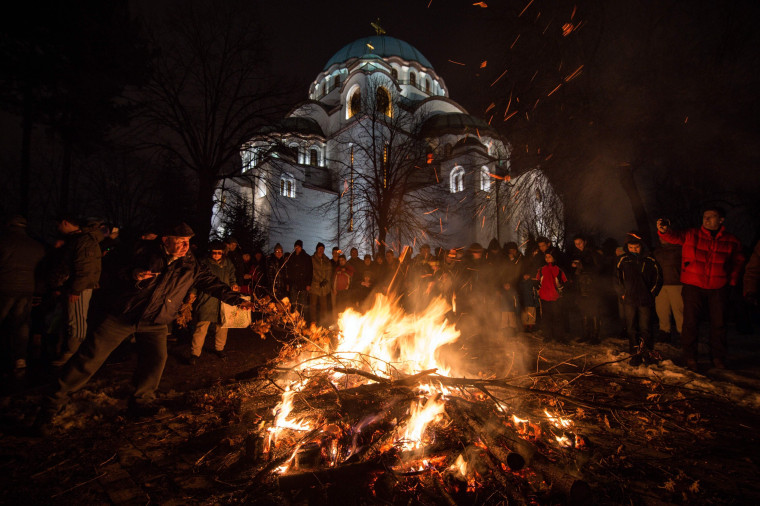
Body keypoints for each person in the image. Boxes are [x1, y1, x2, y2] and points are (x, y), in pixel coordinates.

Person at [33, 223, 255, 434]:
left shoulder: (190, 264)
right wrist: (133, 274)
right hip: (124, 316)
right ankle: (52, 403)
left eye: (188, 241)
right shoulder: (143, 252)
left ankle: (141, 402)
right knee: (89, 358)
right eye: (180, 241)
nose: (185, 246)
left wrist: (237, 299)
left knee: (156, 360)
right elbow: (111, 270)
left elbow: (212, 283)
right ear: (166, 239)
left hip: (156, 322)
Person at [657, 208, 745, 370]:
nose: (706, 219)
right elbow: (673, 237)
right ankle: (690, 357)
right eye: (705, 216)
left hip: (718, 287)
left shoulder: (731, 241)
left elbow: (737, 262)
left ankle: (718, 357)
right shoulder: (692, 234)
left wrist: (731, 281)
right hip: (693, 285)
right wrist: (664, 230)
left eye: (711, 217)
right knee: (690, 322)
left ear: (721, 220)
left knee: (718, 323)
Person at [49, 215, 103, 366]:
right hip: (74, 286)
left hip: (79, 287)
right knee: (72, 319)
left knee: (77, 320)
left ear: (65, 222)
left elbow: (85, 268)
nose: (57, 229)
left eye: (59, 225)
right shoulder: (76, 240)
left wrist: (76, 289)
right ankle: (70, 351)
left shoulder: (84, 240)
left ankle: (74, 353)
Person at [0, 216, 46, 372]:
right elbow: (41, 272)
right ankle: (20, 358)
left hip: (4, 287)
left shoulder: (4, 242)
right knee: (21, 324)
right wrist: (38, 291)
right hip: (27, 289)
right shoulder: (36, 246)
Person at [188, 242, 238, 363]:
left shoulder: (228, 263)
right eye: (214, 252)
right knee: (201, 326)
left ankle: (220, 348)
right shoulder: (204, 263)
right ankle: (195, 353)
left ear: (222, 253)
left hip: (222, 299)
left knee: (222, 326)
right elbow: (196, 279)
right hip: (207, 298)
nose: (216, 255)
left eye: (219, 253)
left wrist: (234, 284)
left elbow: (232, 277)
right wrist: (193, 292)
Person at [616, 235, 663, 366]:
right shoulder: (623, 260)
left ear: (641, 246)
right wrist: (622, 293)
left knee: (645, 327)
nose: (633, 250)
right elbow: (616, 278)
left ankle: (646, 352)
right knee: (631, 327)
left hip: (645, 299)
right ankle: (635, 353)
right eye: (631, 248)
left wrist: (652, 294)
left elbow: (658, 278)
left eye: (636, 247)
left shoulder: (650, 260)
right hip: (629, 299)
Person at [569, 235, 604, 344]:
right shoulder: (578, 254)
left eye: (579, 243)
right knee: (584, 311)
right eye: (576, 244)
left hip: (592, 286)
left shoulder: (593, 252)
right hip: (581, 286)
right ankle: (586, 334)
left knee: (593, 311)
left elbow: (599, 268)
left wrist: (582, 265)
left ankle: (595, 336)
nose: (578, 245)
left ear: (585, 241)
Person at [652, 238, 684, 343]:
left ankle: (683, 333)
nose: (662, 238)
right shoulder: (657, 251)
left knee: (679, 310)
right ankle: (664, 332)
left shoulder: (679, 249)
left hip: (676, 284)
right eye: (660, 236)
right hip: (661, 285)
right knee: (662, 310)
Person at [536, 250, 567, 343]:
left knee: (557, 317)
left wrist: (560, 289)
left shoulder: (558, 270)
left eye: (549, 257)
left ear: (554, 258)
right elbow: (537, 281)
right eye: (546, 257)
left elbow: (564, 282)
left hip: (555, 297)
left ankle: (559, 336)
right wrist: (539, 289)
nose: (547, 259)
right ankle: (548, 335)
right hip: (545, 297)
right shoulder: (541, 269)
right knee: (546, 317)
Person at [309, 242, 333, 326]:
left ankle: (324, 321)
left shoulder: (326, 260)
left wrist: (326, 280)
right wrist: (319, 280)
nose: (321, 250)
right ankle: (313, 322)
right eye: (319, 248)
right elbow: (312, 271)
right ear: (316, 249)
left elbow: (329, 270)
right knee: (313, 305)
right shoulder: (312, 259)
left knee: (324, 305)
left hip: (324, 287)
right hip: (315, 285)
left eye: (322, 249)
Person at [287, 240, 312, 316]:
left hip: (303, 285)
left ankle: (302, 321)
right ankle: (294, 321)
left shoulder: (307, 257)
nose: (297, 248)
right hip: (293, 284)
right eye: (296, 247)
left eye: (299, 247)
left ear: (301, 247)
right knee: (294, 304)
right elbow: (288, 271)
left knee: (302, 305)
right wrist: (288, 283)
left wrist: (308, 284)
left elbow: (310, 271)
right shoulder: (291, 257)